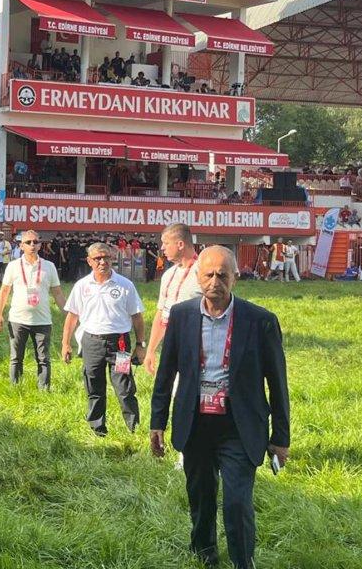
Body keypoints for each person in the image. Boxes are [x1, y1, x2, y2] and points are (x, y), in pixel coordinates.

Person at [150, 246, 291, 569]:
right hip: (195, 423)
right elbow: (166, 372)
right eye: (209, 275)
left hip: (239, 425)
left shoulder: (260, 321)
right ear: (199, 278)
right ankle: (205, 556)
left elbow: (278, 384)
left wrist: (281, 437)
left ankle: (244, 561)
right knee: (200, 496)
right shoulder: (183, 316)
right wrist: (157, 422)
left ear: (235, 279)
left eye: (222, 275)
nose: (215, 281)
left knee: (238, 502)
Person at [61, 242, 146, 436]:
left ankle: (134, 429)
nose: (102, 262)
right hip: (91, 343)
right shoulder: (82, 286)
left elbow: (137, 317)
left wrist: (141, 345)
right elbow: (72, 317)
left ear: (112, 258)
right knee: (94, 386)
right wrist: (66, 343)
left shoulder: (125, 285)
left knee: (124, 388)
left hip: (120, 344)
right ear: (89, 261)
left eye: (106, 257)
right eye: (97, 258)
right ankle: (97, 430)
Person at [0, 231, 66, 390]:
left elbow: (58, 293)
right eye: (28, 242)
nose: (32, 245)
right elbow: (4, 291)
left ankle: (44, 390)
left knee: (43, 359)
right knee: (16, 358)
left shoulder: (49, 266)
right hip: (18, 320)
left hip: (43, 320)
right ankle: (15, 389)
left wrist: (68, 315)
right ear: (21, 245)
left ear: (40, 245)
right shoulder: (13, 266)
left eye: (35, 242)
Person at [144, 224, 203, 376]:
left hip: (199, 349)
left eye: (166, 243)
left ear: (180, 244)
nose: (162, 248)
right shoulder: (168, 275)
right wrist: (150, 350)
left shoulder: (204, 272)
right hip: (173, 347)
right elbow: (162, 313)